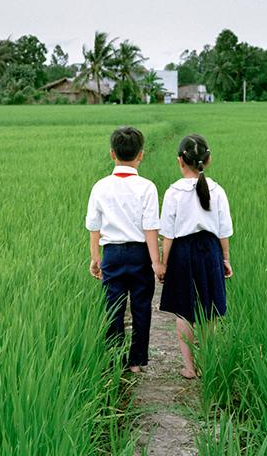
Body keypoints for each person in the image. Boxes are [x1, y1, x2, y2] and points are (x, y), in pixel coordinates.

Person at [85, 126, 163, 372]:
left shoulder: (100, 186)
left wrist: (95, 259)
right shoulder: (147, 187)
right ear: (141, 154)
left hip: (112, 255)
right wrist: (156, 263)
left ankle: (114, 359)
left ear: (112, 154)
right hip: (140, 254)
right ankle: (137, 361)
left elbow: (94, 228)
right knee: (141, 306)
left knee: (113, 307)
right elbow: (151, 228)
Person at [159, 133, 233, 379]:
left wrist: (163, 263)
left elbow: (168, 235)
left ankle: (189, 367)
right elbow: (223, 232)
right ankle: (208, 362)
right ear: (208, 160)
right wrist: (225, 259)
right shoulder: (217, 190)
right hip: (210, 250)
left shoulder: (174, 192)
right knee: (210, 310)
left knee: (184, 311)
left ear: (180, 160)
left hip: (182, 252)